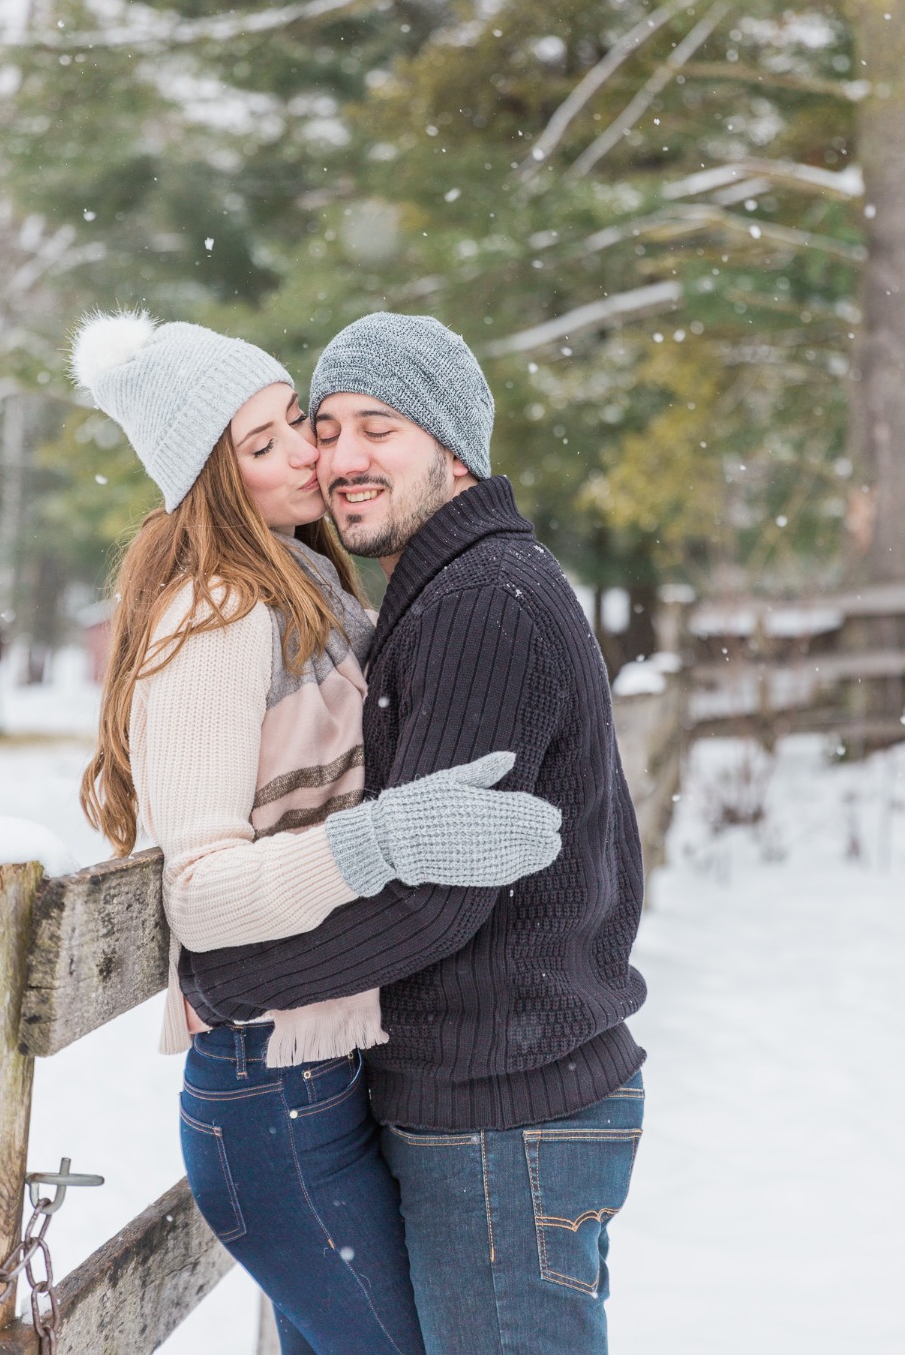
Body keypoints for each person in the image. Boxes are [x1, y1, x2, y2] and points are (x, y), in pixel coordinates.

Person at [73, 310, 562, 1355]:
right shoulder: (215, 616)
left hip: (322, 1071)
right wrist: (381, 842)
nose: (311, 451)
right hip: (267, 1087)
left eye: (294, 418)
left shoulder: (309, 592)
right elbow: (198, 893)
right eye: (264, 445)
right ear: (212, 483)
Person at [181, 313, 648, 1355]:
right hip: (495, 1098)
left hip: (502, 1118)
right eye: (328, 427)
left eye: (378, 428)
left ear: (453, 443)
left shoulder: (479, 601)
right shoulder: (451, 587)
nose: (342, 459)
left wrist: (230, 980)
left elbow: (432, 897)